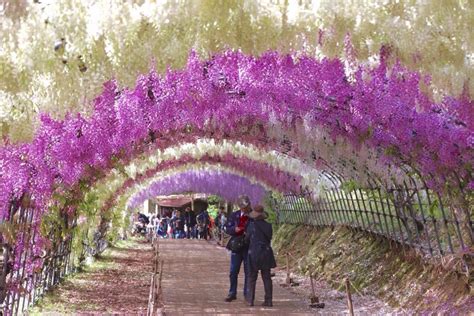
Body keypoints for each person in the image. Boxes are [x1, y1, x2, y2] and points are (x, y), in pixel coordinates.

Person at [245, 205, 276, 307]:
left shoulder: (251, 226)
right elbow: (269, 238)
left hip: (254, 253)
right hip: (266, 253)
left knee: (252, 276)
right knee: (266, 277)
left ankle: (250, 300)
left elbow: (247, 239)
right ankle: (269, 300)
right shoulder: (268, 226)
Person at [224, 195, 252, 302]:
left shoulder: (253, 215)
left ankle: (247, 293)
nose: (244, 209)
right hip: (236, 246)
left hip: (248, 246)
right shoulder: (234, 215)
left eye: (246, 206)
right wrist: (234, 229)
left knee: (248, 271)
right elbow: (227, 228)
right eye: (243, 207)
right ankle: (232, 293)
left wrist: (248, 232)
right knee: (233, 271)